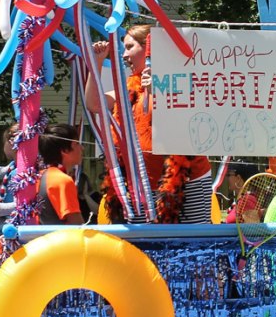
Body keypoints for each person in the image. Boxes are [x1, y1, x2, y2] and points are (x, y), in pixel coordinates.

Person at [86, 24, 212, 224]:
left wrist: (158, 89)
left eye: (129, 47)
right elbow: (94, 103)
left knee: (192, 242)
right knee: (144, 245)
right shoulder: (127, 86)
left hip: (186, 180)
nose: (124, 55)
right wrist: (96, 64)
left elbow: (168, 124)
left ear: (149, 48)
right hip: (140, 183)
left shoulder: (180, 78)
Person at [37, 123, 85, 225]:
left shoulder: (39, 176)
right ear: (65, 150)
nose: (82, 148)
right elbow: (76, 226)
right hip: (59, 239)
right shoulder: (62, 180)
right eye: (76, 144)